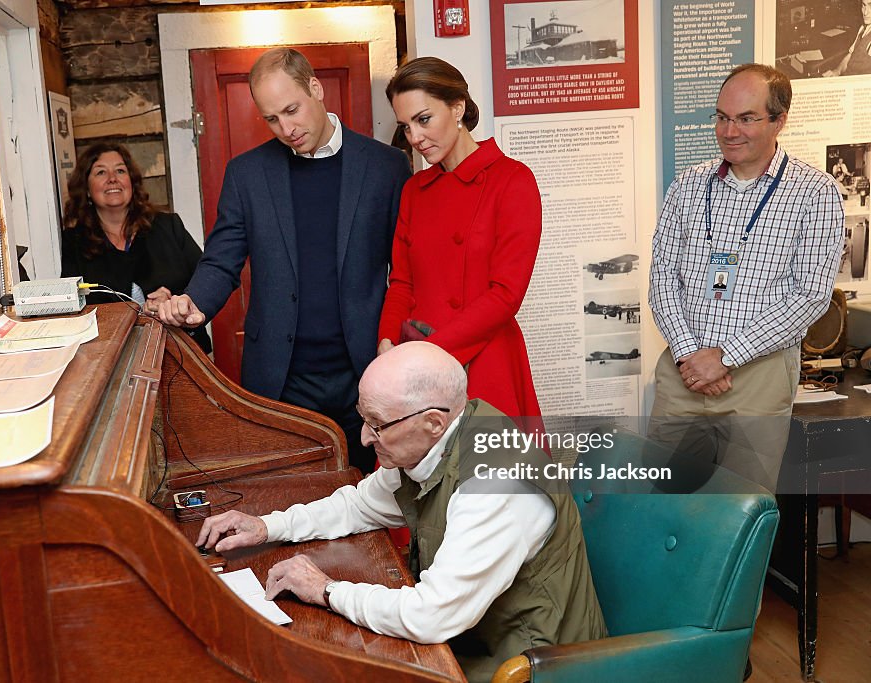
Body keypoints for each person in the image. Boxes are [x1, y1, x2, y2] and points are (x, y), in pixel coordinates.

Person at [196, 342, 607, 683]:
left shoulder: (496, 483)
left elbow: (431, 616)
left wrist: (325, 590)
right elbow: (359, 504)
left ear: (432, 421)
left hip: (530, 664)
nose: (364, 437)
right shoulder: (437, 440)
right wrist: (267, 526)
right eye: (364, 419)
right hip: (474, 638)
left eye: (377, 424)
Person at [159, 48, 411, 474]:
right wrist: (195, 304)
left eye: (292, 111)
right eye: (272, 119)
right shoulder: (247, 174)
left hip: (367, 368)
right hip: (282, 375)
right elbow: (222, 259)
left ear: (315, 88)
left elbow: (405, 270)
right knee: (291, 497)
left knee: (377, 500)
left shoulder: (387, 167)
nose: (286, 129)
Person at [648, 64, 844, 491]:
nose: (729, 130)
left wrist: (724, 357)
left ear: (779, 121)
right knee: (661, 504)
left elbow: (809, 295)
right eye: (722, 116)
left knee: (741, 513)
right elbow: (662, 275)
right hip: (684, 374)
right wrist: (690, 355)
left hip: (757, 376)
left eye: (746, 118)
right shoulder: (688, 185)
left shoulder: (814, 193)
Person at [376, 57, 542, 421]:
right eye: (406, 127)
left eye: (423, 119)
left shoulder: (512, 180)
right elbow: (402, 282)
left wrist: (429, 353)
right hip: (417, 363)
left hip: (483, 359)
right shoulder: (414, 190)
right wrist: (388, 342)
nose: (415, 138)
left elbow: (506, 294)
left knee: (487, 475)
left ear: (457, 107)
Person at [61, 142, 211, 352]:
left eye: (120, 170)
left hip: (185, 351)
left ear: (131, 181)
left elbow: (205, 281)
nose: (112, 178)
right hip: (112, 357)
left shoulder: (168, 226)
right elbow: (74, 310)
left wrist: (175, 303)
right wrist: (140, 311)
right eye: (101, 172)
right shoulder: (73, 242)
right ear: (86, 188)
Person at [825, 0, 871, 76]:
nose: (865, 12)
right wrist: (837, 71)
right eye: (864, 5)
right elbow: (850, 55)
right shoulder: (863, 28)